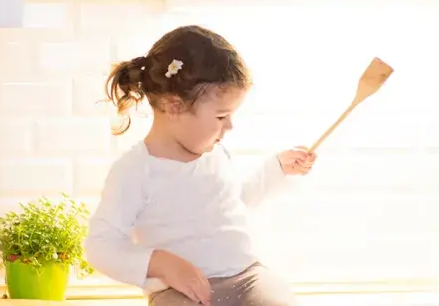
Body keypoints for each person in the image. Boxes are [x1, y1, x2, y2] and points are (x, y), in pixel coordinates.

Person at [84, 25, 317, 306]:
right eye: (221, 116)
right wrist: (161, 264)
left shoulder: (216, 154)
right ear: (174, 107)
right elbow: (100, 246)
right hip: (178, 292)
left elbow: (233, 205)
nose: (229, 126)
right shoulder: (135, 171)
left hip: (247, 278)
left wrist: (277, 168)